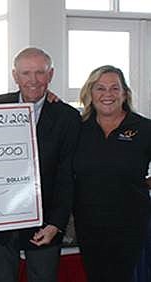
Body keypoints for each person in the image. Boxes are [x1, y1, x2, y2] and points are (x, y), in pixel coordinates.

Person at [0, 47, 81, 282]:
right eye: (26, 73)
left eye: (40, 72)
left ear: (51, 75)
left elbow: (67, 175)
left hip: (45, 224)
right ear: (15, 76)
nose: (33, 80)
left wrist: (56, 224)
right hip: (0, 221)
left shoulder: (68, 117)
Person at [73, 65, 151, 282]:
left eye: (114, 88)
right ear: (90, 92)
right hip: (88, 223)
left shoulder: (143, 128)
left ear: (124, 93)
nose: (107, 94)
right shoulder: (78, 127)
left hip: (130, 223)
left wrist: (145, 184)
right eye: (100, 88)